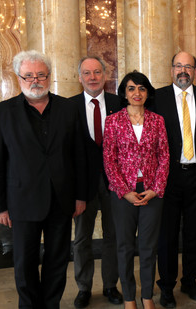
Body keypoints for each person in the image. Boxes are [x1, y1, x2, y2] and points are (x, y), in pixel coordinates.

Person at [0, 50, 87, 308]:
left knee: (57, 259)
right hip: (22, 201)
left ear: (49, 77)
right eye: (29, 75)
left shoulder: (68, 108)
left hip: (61, 200)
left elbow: (79, 156)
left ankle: (51, 304)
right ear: (19, 78)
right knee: (25, 261)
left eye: (41, 75)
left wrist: (81, 195)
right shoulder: (1, 113)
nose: (35, 81)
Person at [103, 71, 169, 309]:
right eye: (131, 88)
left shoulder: (157, 120)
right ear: (124, 92)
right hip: (123, 194)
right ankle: (129, 297)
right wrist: (123, 191)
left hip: (152, 193)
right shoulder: (113, 121)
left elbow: (164, 157)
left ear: (147, 92)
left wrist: (156, 188)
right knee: (125, 247)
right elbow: (109, 160)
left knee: (149, 247)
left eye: (141, 88)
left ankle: (148, 296)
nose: (136, 93)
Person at [153, 51, 196, 308]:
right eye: (178, 65)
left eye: (188, 66)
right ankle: (166, 286)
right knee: (166, 235)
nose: (183, 71)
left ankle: (190, 280)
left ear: (195, 71)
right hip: (167, 178)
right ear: (171, 69)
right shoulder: (156, 97)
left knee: (194, 233)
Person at [70, 56, 123, 308]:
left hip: (116, 183)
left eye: (97, 72)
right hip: (82, 186)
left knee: (114, 236)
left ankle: (111, 286)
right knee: (82, 238)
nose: (92, 77)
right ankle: (83, 288)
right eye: (87, 73)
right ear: (79, 77)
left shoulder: (119, 104)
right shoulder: (68, 108)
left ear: (105, 75)